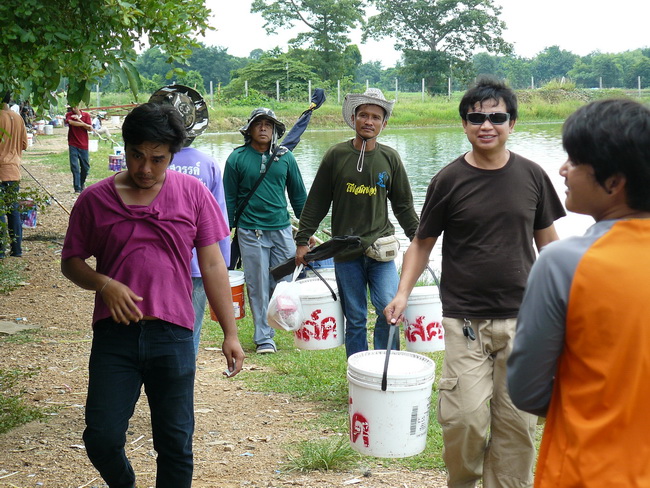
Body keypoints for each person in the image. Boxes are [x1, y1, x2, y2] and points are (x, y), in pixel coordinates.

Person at [384, 76, 566, 488]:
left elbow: (550, 247)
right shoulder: (448, 180)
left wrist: (565, 302)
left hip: (524, 320)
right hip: (464, 320)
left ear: (512, 123)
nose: (487, 125)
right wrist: (401, 293)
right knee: (464, 418)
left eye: (497, 117)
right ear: (464, 125)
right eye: (476, 118)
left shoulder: (533, 176)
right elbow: (421, 243)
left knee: (517, 425)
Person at [60, 102, 245, 488]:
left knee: (176, 443)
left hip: (174, 334)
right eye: (137, 156)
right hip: (115, 337)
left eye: (158, 159)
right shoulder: (95, 200)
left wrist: (230, 332)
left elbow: (213, 267)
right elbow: (72, 261)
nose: (146, 168)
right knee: (101, 438)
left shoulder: (193, 194)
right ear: (124, 150)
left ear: (172, 155)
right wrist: (104, 284)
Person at [507, 99, 650, 487]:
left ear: (614, 182)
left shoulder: (563, 262)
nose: (562, 169)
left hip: (587, 468)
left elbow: (527, 389)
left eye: (575, 159)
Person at [295, 87, 419, 358]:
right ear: (354, 118)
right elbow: (316, 202)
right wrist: (302, 240)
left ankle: (388, 368)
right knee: (355, 318)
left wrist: (420, 240)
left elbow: (404, 206)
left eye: (376, 117)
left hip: (381, 250)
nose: (369, 121)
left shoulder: (390, 158)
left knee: (390, 309)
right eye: (364, 115)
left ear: (384, 123)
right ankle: (359, 374)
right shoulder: (336, 156)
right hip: (345, 252)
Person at [151, 85, 231, 356]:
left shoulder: (150, 162)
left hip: (155, 261)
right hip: (199, 263)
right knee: (190, 326)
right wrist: (225, 263)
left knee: (155, 320)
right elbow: (219, 218)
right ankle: (185, 369)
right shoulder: (207, 164)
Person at [224, 108, 307, 354]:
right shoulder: (236, 158)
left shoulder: (286, 158)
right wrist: (225, 230)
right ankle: (264, 337)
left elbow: (299, 196)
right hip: (251, 231)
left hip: (282, 230)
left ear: (275, 131)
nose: (263, 128)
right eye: (258, 124)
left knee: (285, 283)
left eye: (268, 125)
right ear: (249, 129)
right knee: (257, 284)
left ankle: (286, 324)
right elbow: (228, 198)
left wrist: (308, 228)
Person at [0, 91, 28, 259]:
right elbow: (24, 144)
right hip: (13, 171)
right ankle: (16, 249)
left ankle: (1, 250)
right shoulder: (18, 118)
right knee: (13, 210)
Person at [65, 105, 92, 193]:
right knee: (75, 166)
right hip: (73, 144)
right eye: (72, 107)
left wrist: (80, 120)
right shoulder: (69, 114)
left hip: (83, 144)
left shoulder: (86, 115)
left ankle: (82, 182)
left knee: (85, 167)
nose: (73, 109)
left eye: (75, 107)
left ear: (79, 106)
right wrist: (84, 124)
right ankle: (77, 187)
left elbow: (90, 128)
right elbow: (72, 123)